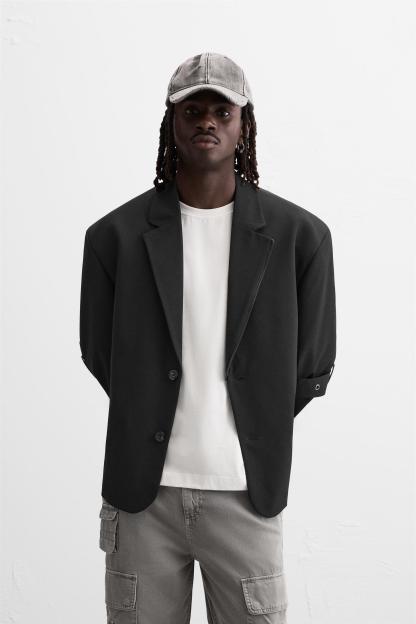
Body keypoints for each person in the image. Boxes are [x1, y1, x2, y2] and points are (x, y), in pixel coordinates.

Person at [79, 52, 336, 624]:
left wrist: (252, 417)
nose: (207, 122)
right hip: (142, 498)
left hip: (245, 494)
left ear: (244, 124)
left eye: (223, 111)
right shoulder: (114, 237)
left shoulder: (301, 237)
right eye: (192, 110)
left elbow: (313, 365)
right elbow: (99, 353)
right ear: (171, 122)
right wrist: (152, 405)